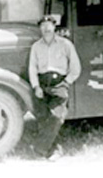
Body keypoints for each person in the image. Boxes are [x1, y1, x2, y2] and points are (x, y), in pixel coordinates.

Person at [28, 15, 81, 158]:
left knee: (56, 117)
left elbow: (76, 67)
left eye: (49, 25)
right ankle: (55, 150)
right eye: (43, 26)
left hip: (59, 85)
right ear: (40, 29)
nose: (46, 28)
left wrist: (67, 82)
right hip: (42, 86)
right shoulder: (36, 47)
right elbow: (32, 69)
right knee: (43, 118)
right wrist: (36, 87)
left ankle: (39, 148)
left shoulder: (65, 44)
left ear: (54, 27)